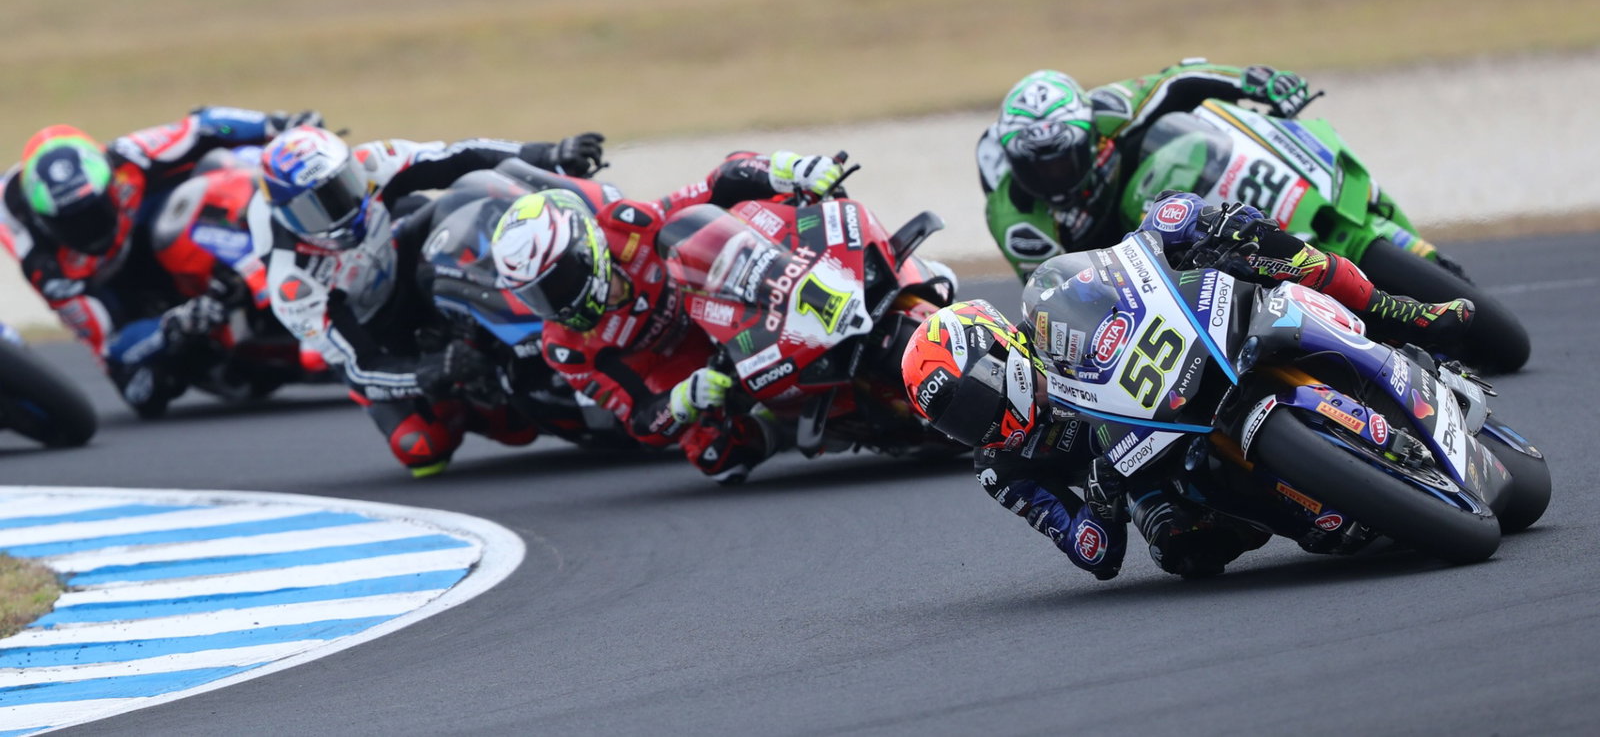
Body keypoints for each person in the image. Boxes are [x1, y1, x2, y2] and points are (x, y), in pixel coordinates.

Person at [900, 192, 1474, 579]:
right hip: (1140, 465)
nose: (975, 429)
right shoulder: (1000, 470)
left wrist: (1174, 226)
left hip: (1178, 361)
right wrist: (1100, 500)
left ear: (1000, 354)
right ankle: (1313, 507)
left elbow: (1121, 271)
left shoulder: (1050, 314)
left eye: (972, 404)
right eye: (954, 423)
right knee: (1182, 548)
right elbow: (1090, 553)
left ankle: (1403, 313)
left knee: (1251, 240)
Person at [260, 124, 607, 476]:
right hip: (378, 333)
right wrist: (430, 371)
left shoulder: (373, 162)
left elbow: (462, 156)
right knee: (423, 447)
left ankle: (562, 281)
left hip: (406, 255)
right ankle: (486, 401)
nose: (341, 211)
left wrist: (548, 155)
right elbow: (360, 367)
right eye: (316, 208)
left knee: (473, 196)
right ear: (284, 213)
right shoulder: (294, 283)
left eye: (341, 189)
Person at [490, 151, 848, 484]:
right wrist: (682, 400)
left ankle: (851, 276)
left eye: (559, 281)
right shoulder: (565, 348)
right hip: (694, 367)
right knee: (716, 455)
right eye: (535, 295)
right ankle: (784, 421)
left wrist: (784, 171)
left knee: (773, 204)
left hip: (729, 300)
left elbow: (713, 187)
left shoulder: (624, 224)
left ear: (587, 248)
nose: (557, 303)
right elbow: (639, 420)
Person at [0, 108, 321, 415]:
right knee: (142, 390)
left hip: (180, 226)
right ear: (44, 222)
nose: (90, 230)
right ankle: (227, 331)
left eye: (94, 212)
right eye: (72, 223)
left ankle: (296, 249)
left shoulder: (130, 156)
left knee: (228, 164)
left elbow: (206, 125)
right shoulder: (48, 267)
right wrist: (172, 326)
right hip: (134, 294)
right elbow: (108, 347)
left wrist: (277, 125)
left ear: (111, 185)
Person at [977, 60, 1321, 277]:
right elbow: (1049, 291)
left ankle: (1270, 223)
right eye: (1036, 166)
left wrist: (1254, 81)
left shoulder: (1109, 109)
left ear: (1091, 133)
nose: (1052, 176)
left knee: (1182, 142)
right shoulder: (1015, 221)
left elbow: (1180, 78)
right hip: (1114, 277)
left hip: (1183, 222)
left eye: (1062, 160)